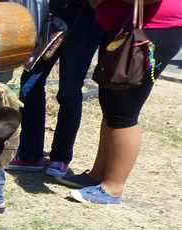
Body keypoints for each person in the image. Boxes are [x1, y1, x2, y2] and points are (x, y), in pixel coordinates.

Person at [59, 0, 182, 203]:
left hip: (151, 29)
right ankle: (97, 176)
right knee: (111, 104)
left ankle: (113, 187)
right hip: (126, 27)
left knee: (123, 111)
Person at [7, 0, 104, 178]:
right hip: (52, 17)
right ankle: (30, 154)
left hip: (85, 22)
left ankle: (60, 157)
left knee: (69, 91)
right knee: (30, 83)